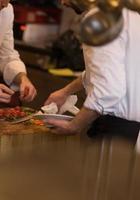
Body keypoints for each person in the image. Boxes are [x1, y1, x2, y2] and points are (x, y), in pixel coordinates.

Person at [44, 3, 140, 143]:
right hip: (131, 129)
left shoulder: (98, 20)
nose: (63, 2)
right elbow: (105, 72)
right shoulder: (129, 13)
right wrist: (65, 92)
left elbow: (109, 88)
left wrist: (74, 125)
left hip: (116, 130)